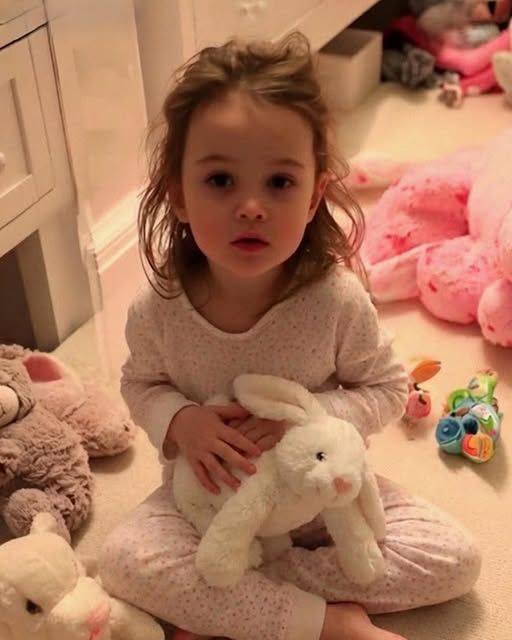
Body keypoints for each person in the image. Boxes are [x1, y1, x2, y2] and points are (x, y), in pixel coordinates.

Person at [98, 32, 481, 640]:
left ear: (313, 197)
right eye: (220, 180)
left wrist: (307, 423)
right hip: (213, 501)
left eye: (279, 182)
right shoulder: (159, 308)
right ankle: (327, 623)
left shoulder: (335, 299)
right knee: (123, 561)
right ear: (178, 196)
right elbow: (140, 382)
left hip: (321, 493)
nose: (251, 206)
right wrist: (181, 422)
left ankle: (239, 597)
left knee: (455, 558)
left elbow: (386, 389)